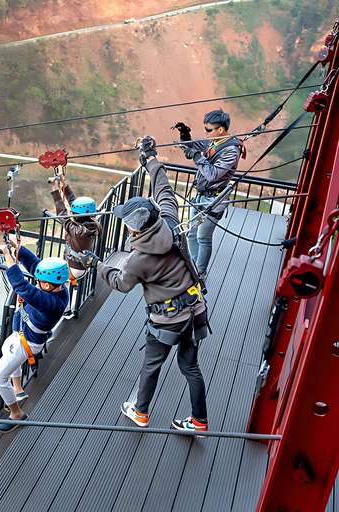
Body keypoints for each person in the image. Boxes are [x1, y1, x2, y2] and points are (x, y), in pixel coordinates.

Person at [80, 136, 211, 436]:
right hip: (196, 310)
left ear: (133, 227)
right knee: (190, 368)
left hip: (167, 321)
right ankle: (199, 421)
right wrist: (150, 158)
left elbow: (120, 283)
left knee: (151, 365)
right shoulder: (170, 220)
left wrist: (98, 265)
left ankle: (140, 411)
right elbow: (163, 188)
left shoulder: (138, 259)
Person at [0, 239, 69, 433]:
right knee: (5, 351)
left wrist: (8, 257)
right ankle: (17, 389)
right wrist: (18, 248)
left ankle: (16, 414)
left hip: (28, 341)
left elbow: (22, 287)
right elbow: (36, 267)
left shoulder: (51, 302)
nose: (38, 282)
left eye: (41, 282)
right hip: (24, 333)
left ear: (50, 285)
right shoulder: (58, 288)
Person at [173, 109, 243, 278]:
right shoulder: (213, 141)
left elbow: (212, 174)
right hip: (200, 196)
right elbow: (190, 148)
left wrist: (197, 156)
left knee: (203, 237)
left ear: (221, 129)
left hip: (214, 200)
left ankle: (200, 273)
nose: (206, 132)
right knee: (191, 234)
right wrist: (185, 135)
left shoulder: (231, 150)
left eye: (209, 129)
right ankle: (192, 267)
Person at [49, 175, 103, 317]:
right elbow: (73, 202)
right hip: (83, 265)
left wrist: (54, 188)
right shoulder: (93, 222)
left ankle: (65, 310)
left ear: (76, 216)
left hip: (74, 268)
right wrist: (63, 183)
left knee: (54, 281)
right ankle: (66, 308)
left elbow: (62, 212)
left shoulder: (75, 230)